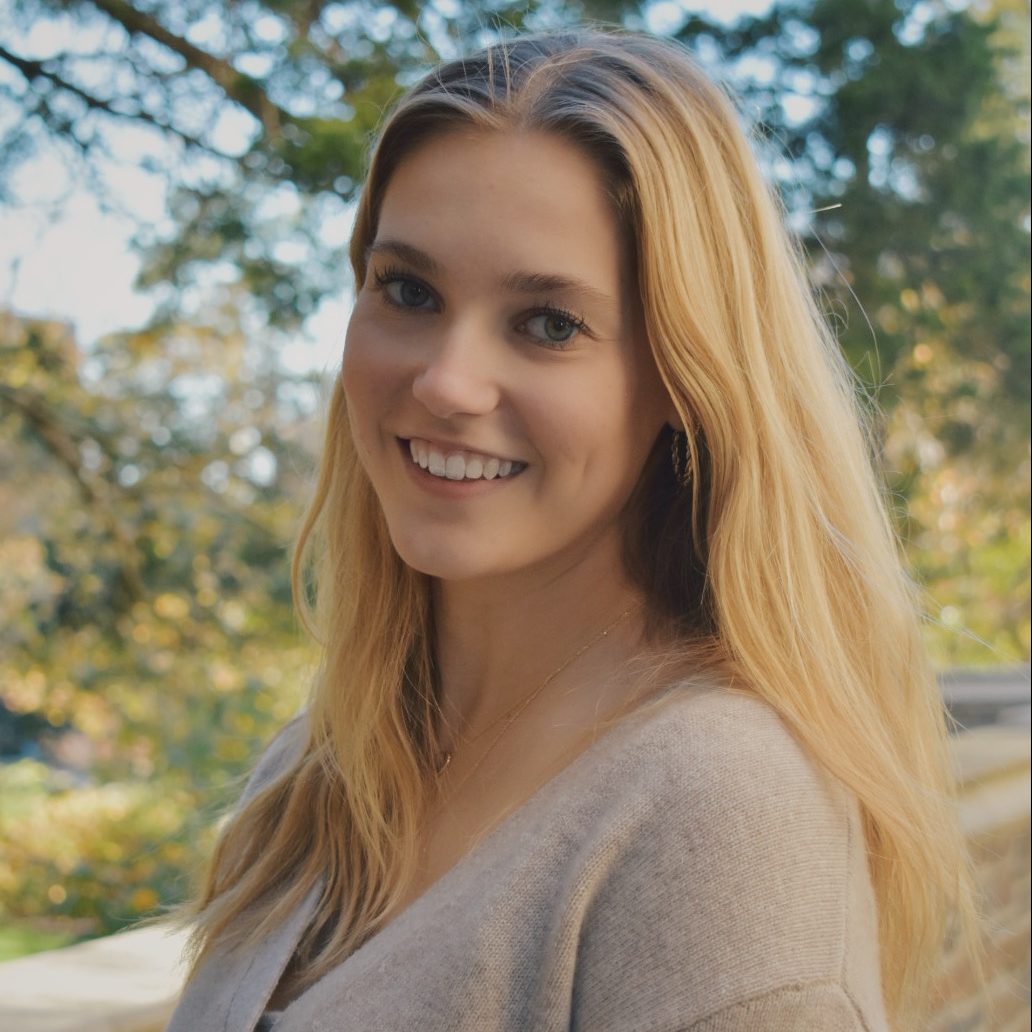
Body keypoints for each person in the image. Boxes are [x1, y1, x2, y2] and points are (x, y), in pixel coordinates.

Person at [167, 29, 980, 1032]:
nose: (446, 382)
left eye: (549, 323)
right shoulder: (318, 773)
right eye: (408, 291)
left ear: (686, 377)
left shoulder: (720, 823)